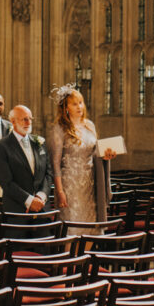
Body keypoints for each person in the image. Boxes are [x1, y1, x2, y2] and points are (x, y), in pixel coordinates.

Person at [47, 85, 115, 232]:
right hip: (70, 185)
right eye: (74, 103)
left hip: (90, 184)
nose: (79, 107)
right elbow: (55, 163)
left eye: (81, 102)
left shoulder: (90, 125)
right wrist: (59, 191)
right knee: (73, 227)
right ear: (65, 107)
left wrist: (106, 155)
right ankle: (71, 255)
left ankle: (86, 254)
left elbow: (95, 153)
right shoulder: (59, 128)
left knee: (91, 227)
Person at [0, 105, 52, 214]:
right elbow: (6, 182)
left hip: (41, 209)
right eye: (24, 119)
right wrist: (29, 200)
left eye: (30, 119)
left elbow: (48, 173)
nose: (28, 122)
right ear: (13, 121)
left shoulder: (40, 143)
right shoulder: (1, 147)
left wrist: (40, 196)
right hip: (17, 210)